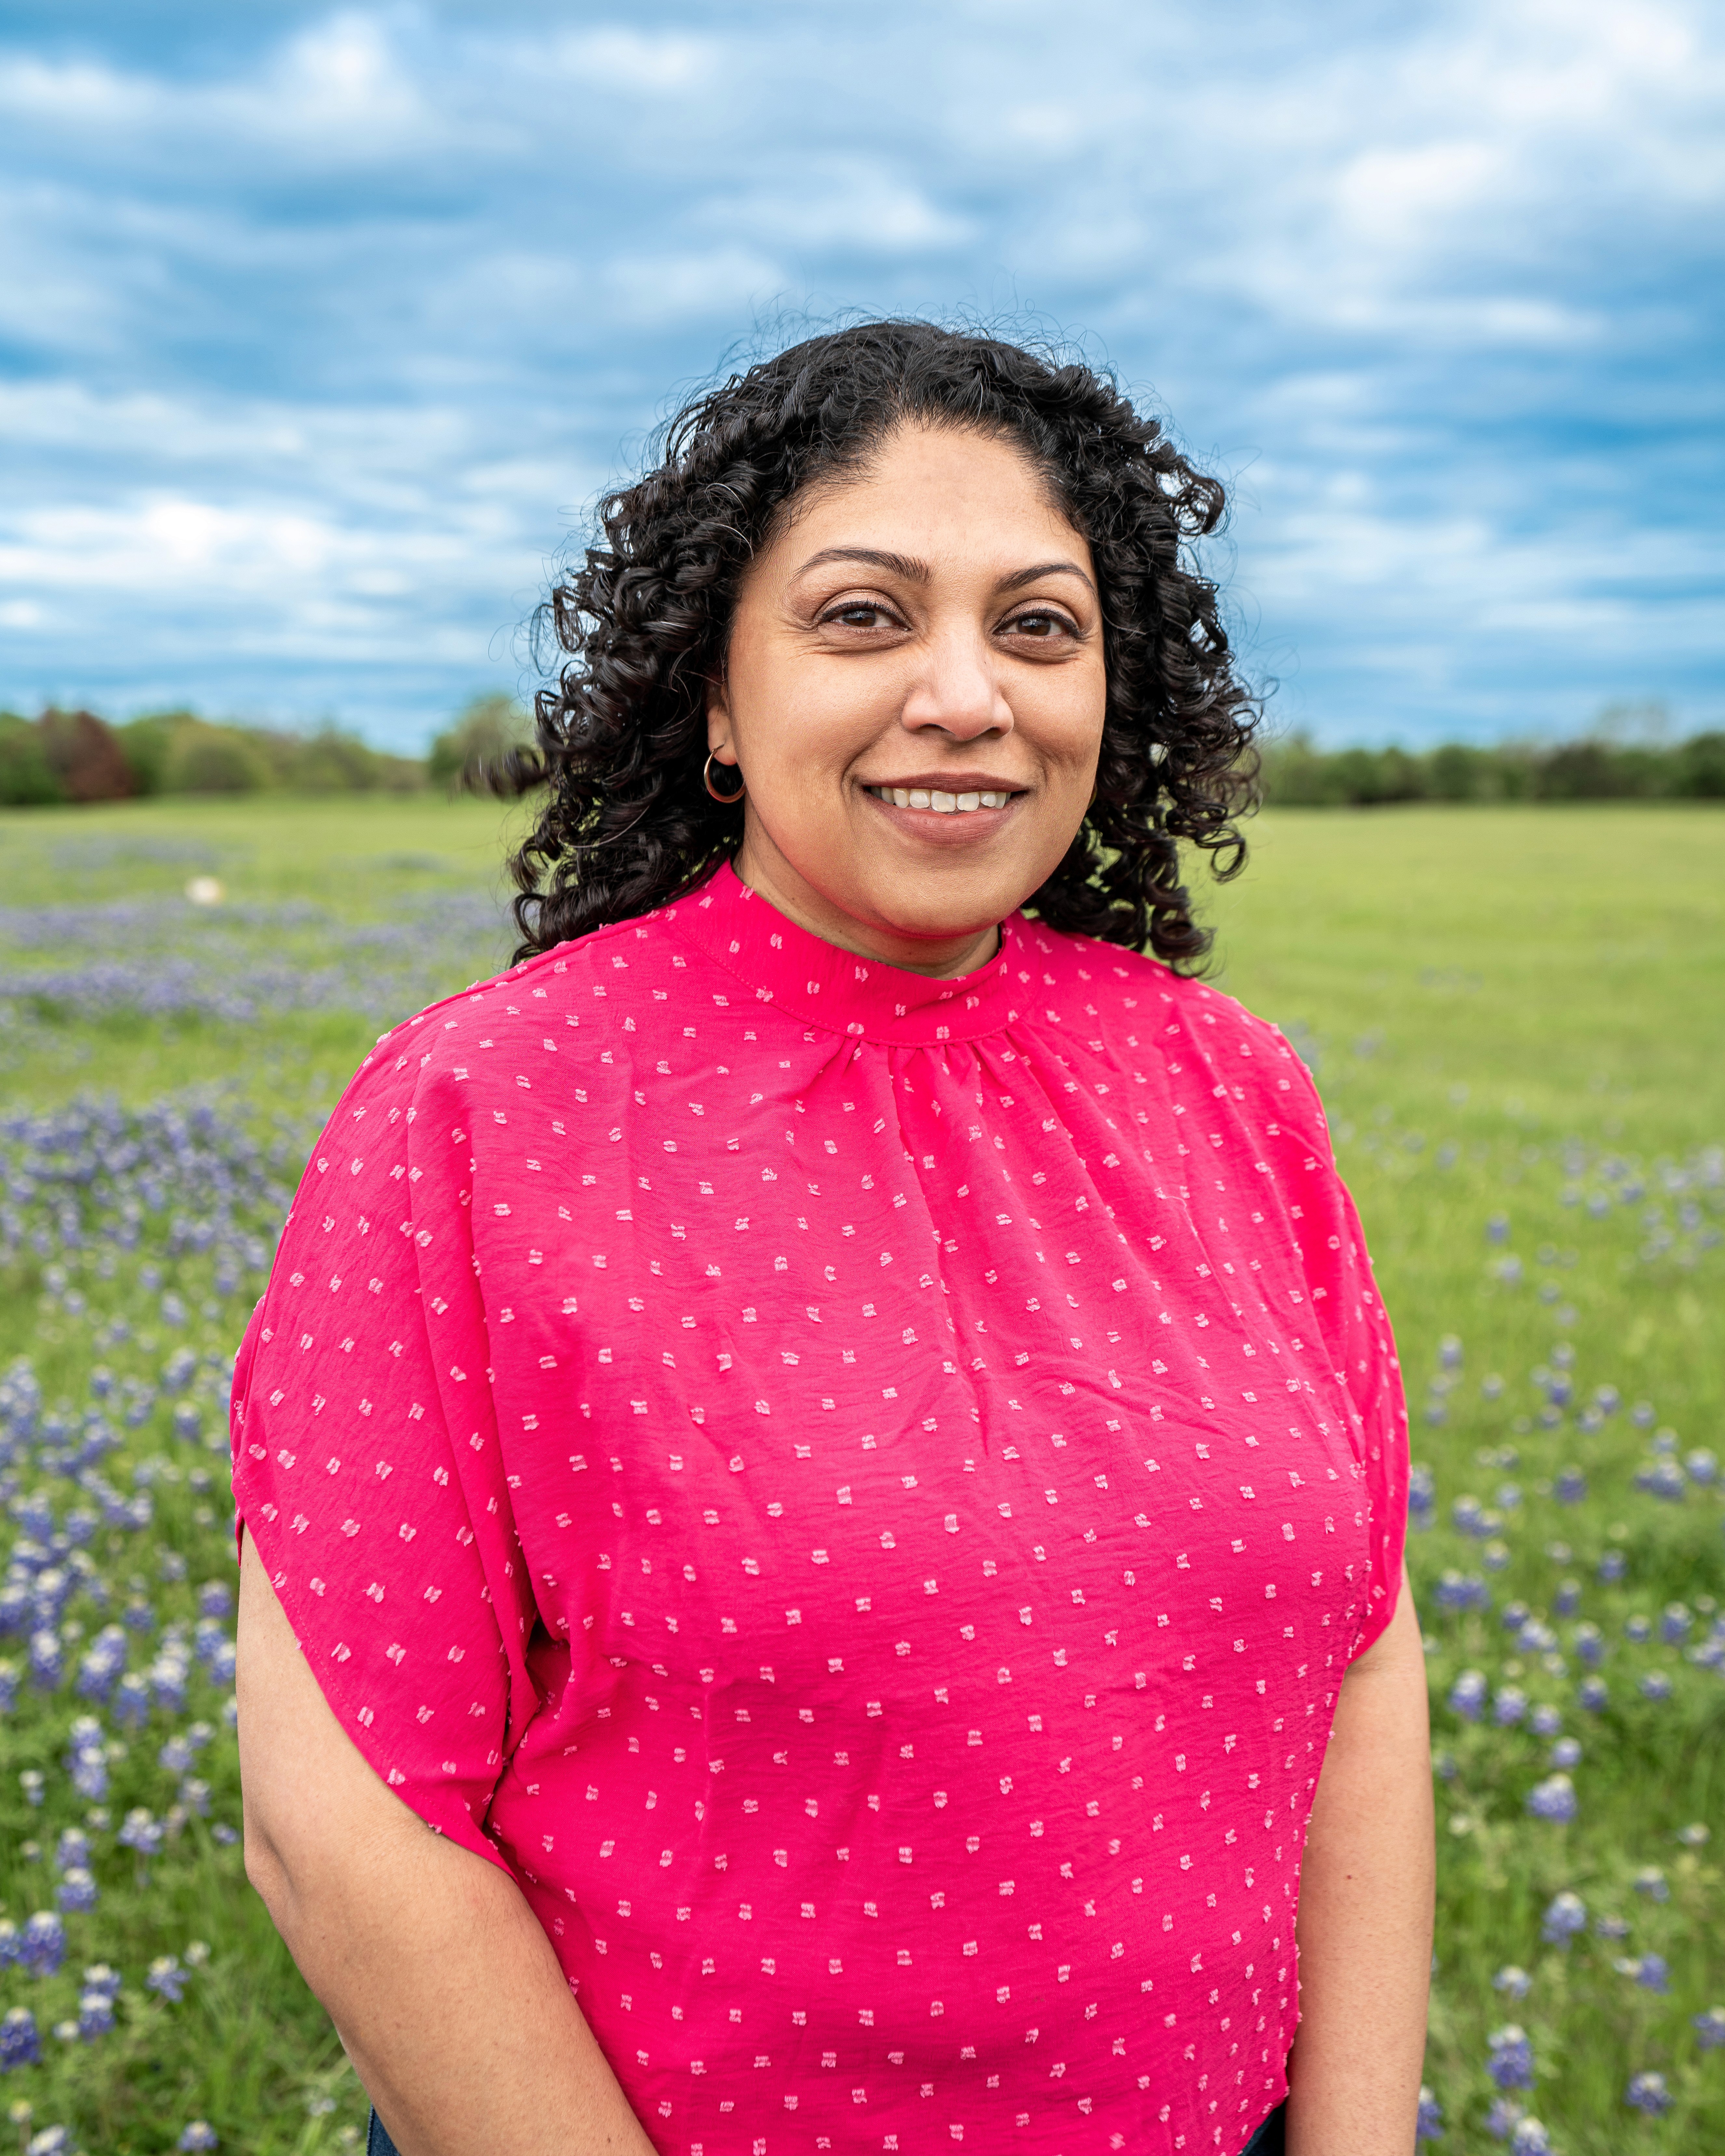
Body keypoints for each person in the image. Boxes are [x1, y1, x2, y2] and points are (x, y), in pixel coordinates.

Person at [234, 322, 1433, 2156]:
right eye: (862, 616)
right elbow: (345, 1830)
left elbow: (1360, 1648)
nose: (966, 693)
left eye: (1038, 625)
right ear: (714, 695)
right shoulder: (476, 1110)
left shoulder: (1230, 1087)